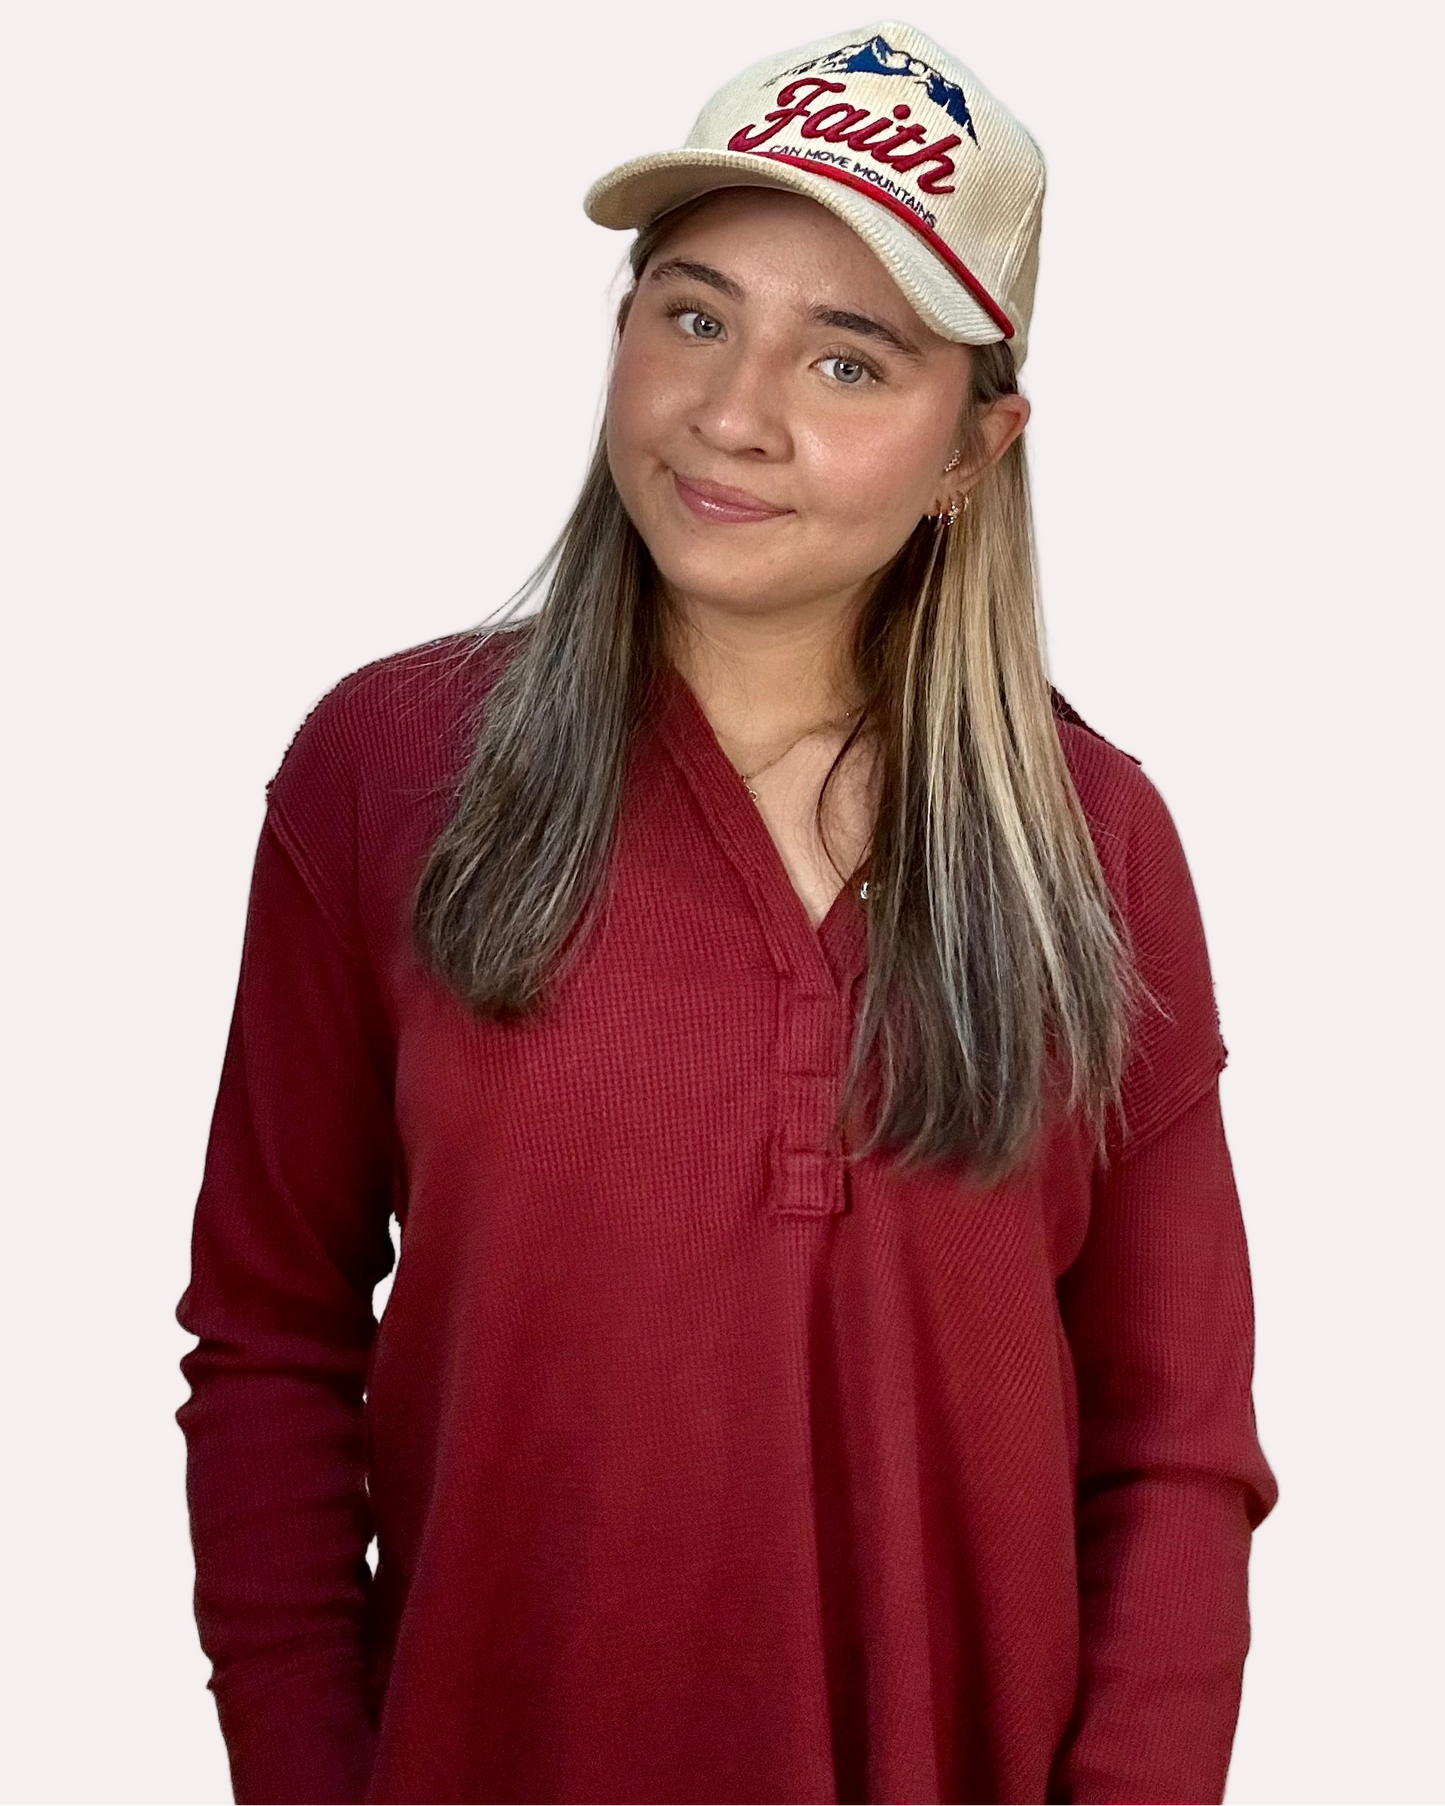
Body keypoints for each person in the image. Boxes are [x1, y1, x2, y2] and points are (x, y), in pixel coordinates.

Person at [174, 19, 1279, 1806]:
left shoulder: (1099, 847)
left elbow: (1174, 1448)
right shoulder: (385, 771)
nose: (734, 412)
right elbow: (272, 1340)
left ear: (975, 446)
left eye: (849, 361)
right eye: (693, 316)